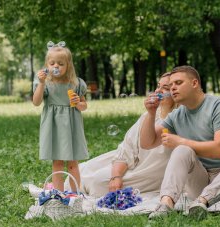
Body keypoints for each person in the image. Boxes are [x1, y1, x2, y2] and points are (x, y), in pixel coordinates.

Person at [141, 65, 220, 219]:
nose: (173, 88)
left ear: (194, 83)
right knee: (181, 150)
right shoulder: (177, 115)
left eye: (178, 83)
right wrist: (151, 113)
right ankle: (166, 204)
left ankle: (203, 202)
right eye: (171, 85)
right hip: (200, 183)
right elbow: (147, 142)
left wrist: (180, 141)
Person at [73, 72, 178, 197]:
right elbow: (128, 147)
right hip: (131, 162)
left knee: (97, 183)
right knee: (80, 170)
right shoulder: (150, 115)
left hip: (149, 172)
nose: (158, 91)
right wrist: (116, 175)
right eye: (158, 86)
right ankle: (61, 188)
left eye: (165, 88)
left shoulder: (179, 118)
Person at [32, 40, 89, 192]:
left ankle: (76, 194)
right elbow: (36, 102)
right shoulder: (45, 83)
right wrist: (41, 83)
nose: (56, 66)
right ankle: (58, 194)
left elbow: (84, 106)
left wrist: (78, 103)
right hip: (54, 126)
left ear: (68, 65)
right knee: (57, 163)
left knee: (72, 163)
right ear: (47, 65)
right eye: (52, 63)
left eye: (60, 64)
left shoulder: (76, 83)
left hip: (71, 126)